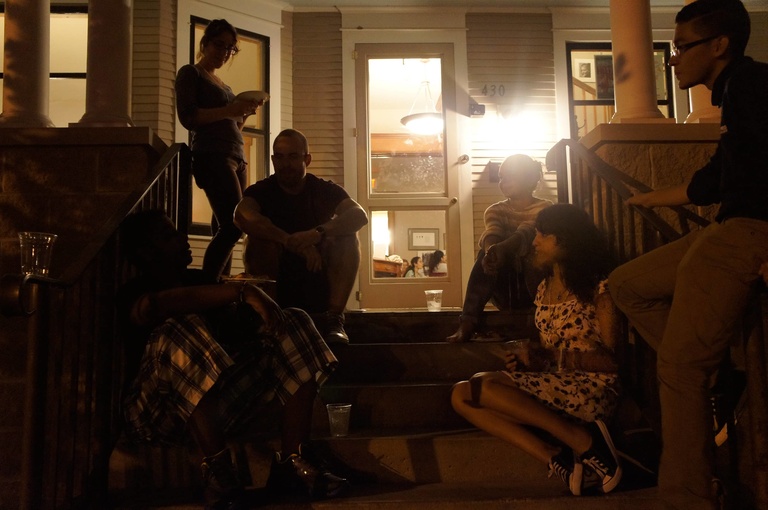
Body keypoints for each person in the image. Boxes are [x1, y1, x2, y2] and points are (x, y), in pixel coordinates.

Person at [607, 2, 768, 508]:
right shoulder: (736, 96)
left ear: (719, 45)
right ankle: (720, 370)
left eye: (680, 48)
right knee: (628, 284)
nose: (672, 60)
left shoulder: (754, 85)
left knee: (679, 369)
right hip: (727, 227)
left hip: (748, 232)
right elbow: (719, 174)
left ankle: (688, 496)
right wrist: (654, 197)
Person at [117, 210, 347, 510]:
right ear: (146, 253)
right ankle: (217, 472)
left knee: (293, 320)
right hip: (157, 416)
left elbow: (241, 335)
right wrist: (240, 291)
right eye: (169, 236)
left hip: (216, 404)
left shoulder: (202, 281)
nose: (182, 239)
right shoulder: (134, 292)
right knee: (179, 328)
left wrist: (260, 313)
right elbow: (160, 305)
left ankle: (293, 459)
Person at [451, 204, 622, 497]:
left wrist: (551, 358)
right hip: (557, 384)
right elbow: (548, 352)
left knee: (482, 384)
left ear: (566, 239)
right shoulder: (543, 288)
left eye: (543, 234)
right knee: (460, 394)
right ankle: (558, 457)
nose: (535, 241)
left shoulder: (600, 289)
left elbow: (613, 361)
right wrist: (528, 363)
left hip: (592, 388)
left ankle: (585, 440)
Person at [234, 129, 368, 345]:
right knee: (259, 240)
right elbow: (241, 215)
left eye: (293, 157)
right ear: (273, 159)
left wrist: (316, 234)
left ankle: (334, 318)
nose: (285, 164)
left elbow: (358, 215)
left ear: (307, 159)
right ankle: (271, 320)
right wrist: (288, 241)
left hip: (318, 277)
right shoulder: (262, 191)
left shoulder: (324, 190)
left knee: (347, 238)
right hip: (275, 281)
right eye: (280, 156)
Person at [175, 19, 264, 281]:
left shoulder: (224, 86)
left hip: (236, 155)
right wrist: (229, 110)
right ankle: (210, 286)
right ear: (205, 43)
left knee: (224, 225)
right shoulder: (191, 73)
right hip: (212, 154)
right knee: (234, 224)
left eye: (230, 49)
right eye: (219, 45)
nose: (224, 52)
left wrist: (244, 112)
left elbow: (232, 124)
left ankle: (220, 288)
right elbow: (188, 117)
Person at [447, 154, 552, 343]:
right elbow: (492, 232)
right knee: (484, 253)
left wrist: (504, 248)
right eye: (501, 177)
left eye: (509, 176)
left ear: (528, 178)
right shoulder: (495, 210)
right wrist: (491, 252)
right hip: (505, 285)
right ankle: (468, 321)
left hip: (534, 286)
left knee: (529, 243)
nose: (503, 182)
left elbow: (529, 232)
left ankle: (543, 319)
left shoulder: (546, 208)